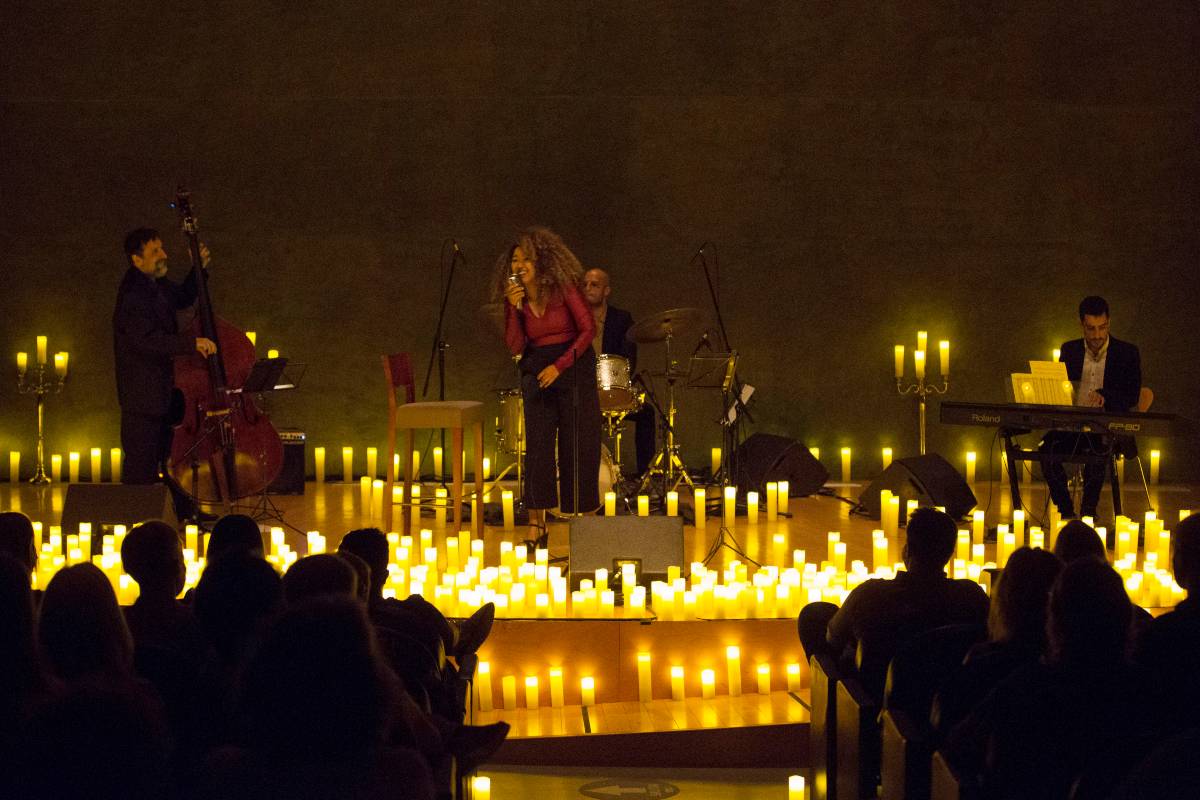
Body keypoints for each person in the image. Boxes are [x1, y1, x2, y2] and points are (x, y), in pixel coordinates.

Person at [495, 227, 601, 536]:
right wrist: (512, 308)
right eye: (515, 260)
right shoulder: (515, 298)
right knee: (538, 448)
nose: (519, 265)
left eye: (526, 258)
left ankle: (583, 522)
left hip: (573, 363)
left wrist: (561, 365)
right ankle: (536, 525)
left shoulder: (562, 287)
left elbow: (588, 329)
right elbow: (515, 345)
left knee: (578, 444)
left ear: (541, 262)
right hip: (537, 368)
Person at [113, 228, 217, 521]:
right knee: (141, 467)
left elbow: (183, 297)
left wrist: (199, 268)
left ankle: (179, 514)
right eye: (156, 251)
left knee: (163, 462)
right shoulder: (134, 294)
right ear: (137, 259)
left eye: (162, 249)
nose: (164, 255)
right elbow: (147, 340)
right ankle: (138, 523)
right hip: (142, 396)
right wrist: (191, 343)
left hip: (157, 394)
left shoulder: (153, 285)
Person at [825, 507, 989, 689]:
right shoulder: (971, 596)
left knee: (816, 614)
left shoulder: (871, 595)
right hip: (949, 695)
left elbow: (833, 637)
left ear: (908, 550)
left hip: (877, 692)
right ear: (949, 554)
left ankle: (835, 703)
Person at [1039, 295, 1142, 520]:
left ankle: (1088, 511)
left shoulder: (1127, 353)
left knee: (1098, 450)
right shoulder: (1070, 350)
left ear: (1109, 323)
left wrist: (1105, 396)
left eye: (1102, 327)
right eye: (1091, 328)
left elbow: (1132, 396)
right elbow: (1063, 388)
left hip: (1106, 428)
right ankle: (1066, 511)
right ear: (1081, 325)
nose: (1097, 335)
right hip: (1072, 425)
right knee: (1046, 451)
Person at [582, 268, 656, 477]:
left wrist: (616, 385)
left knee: (646, 413)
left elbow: (629, 359)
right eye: (585, 284)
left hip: (613, 392)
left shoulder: (621, 319)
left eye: (594, 284)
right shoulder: (575, 320)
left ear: (607, 291)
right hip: (584, 394)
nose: (588, 288)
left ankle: (644, 477)